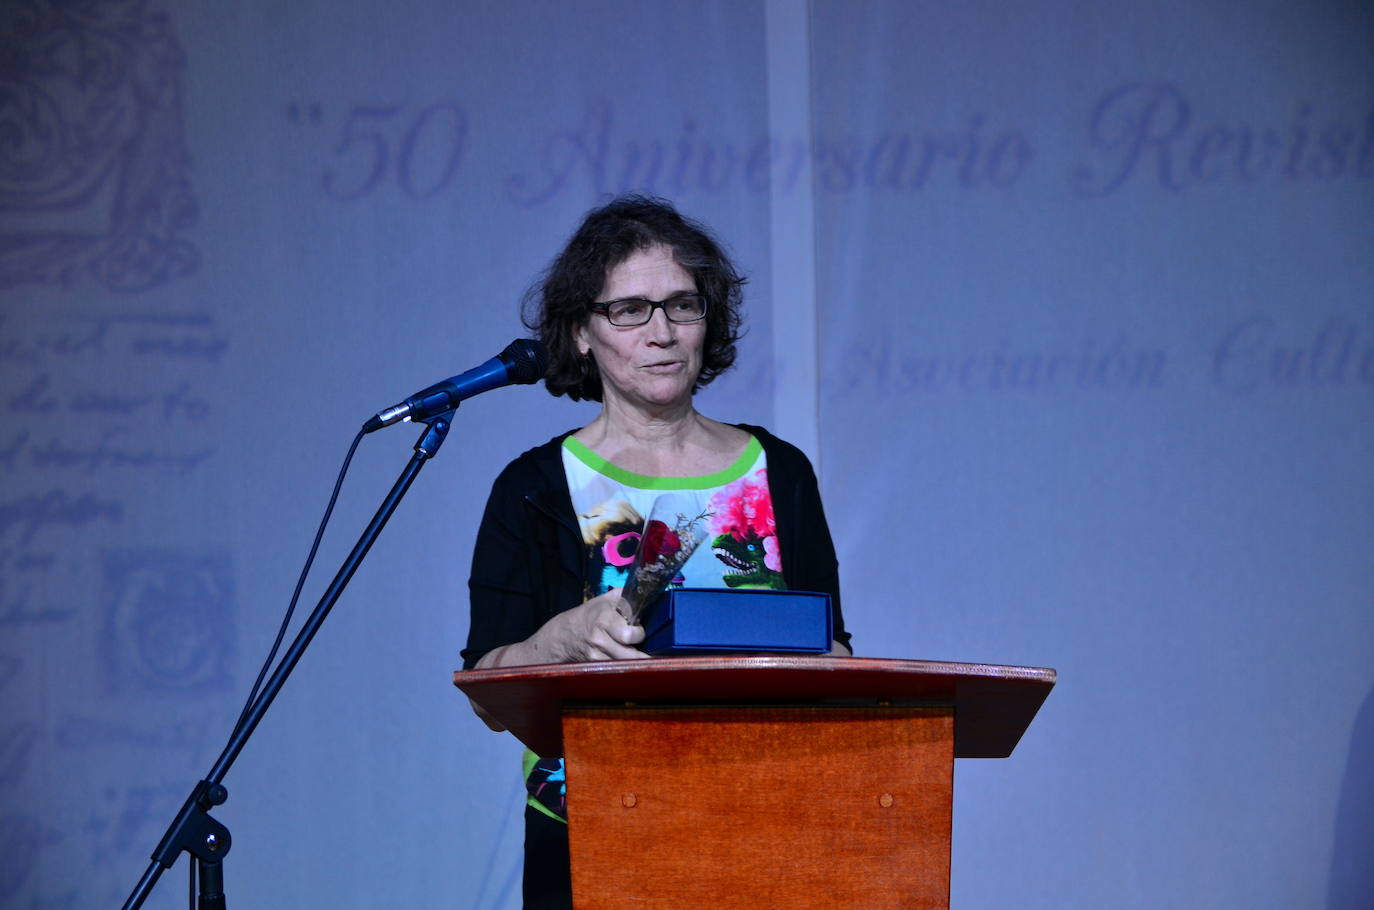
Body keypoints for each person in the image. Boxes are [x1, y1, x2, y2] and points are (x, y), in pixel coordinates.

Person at [461, 194, 850, 909]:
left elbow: (835, 647)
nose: (662, 332)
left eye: (682, 305)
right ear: (581, 332)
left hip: (766, 825)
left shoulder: (778, 470)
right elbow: (488, 691)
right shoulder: (535, 487)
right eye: (630, 310)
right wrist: (558, 639)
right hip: (591, 833)